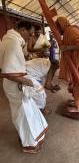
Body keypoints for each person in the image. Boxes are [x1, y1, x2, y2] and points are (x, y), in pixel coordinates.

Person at [0, 21, 48, 153]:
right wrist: (27, 81)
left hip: (12, 84)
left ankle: (26, 138)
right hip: (14, 84)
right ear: (22, 30)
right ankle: (30, 145)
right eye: (30, 33)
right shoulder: (13, 43)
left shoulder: (8, 39)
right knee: (24, 114)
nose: (31, 36)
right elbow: (10, 73)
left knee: (22, 112)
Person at [55, 16, 79, 120]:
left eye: (58, 27)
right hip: (76, 62)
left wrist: (67, 48)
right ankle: (76, 102)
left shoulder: (70, 30)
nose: (58, 30)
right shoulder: (68, 31)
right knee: (76, 82)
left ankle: (78, 108)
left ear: (62, 25)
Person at [27, 25, 60, 93]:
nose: (38, 34)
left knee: (49, 70)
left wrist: (45, 51)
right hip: (35, 58)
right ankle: (40, 87)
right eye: (36, 32)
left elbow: (47, 47)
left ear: (41, 31)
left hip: (44, 57)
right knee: (40, 73)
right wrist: (40, 49)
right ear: (34, 32)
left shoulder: (43, 37)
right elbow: (29, 49)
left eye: (39, 32)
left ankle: (48, 83)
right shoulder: (31, 38)